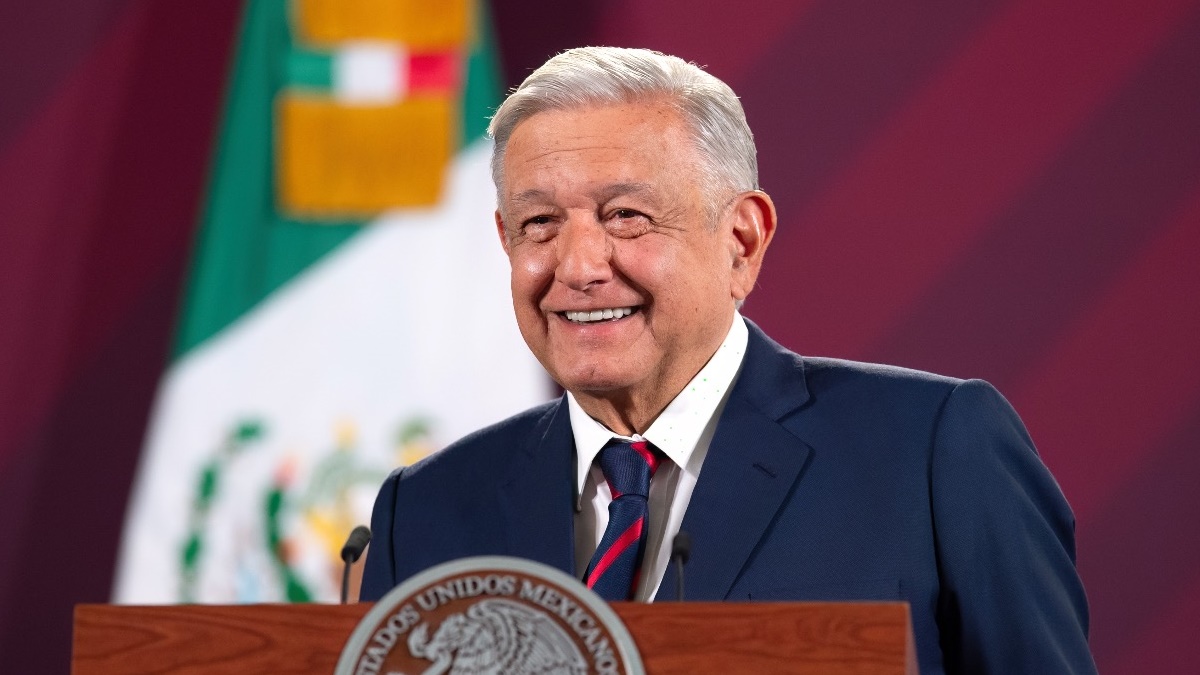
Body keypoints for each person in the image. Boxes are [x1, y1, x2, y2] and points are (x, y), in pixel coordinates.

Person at [361, 47, 1096, 674]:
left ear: (741, 240)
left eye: (626, 216)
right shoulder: (423, 512)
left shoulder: (932, 450)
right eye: (539, 224)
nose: (578, 265)